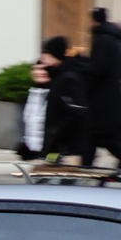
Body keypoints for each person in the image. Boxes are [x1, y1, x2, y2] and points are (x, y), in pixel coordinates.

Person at [86, 9, 121, 168]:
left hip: (102, 102)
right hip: (116, 101)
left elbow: (96, 70)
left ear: (93, 21)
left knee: (104, 139)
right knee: (95, 140)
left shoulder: (103, 40)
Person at [37, 35, 92, 164]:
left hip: (68, 150)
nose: (42, 57)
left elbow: (76, 113)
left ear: (55, 55)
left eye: (46, 53)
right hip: (57, 149)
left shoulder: (68, 78)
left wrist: (55, 135)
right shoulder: (57, 77)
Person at [16, 53, 53, 159]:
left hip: (47, 153)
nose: (39, 72)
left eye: (43, 69)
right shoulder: (34, 93)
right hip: (31, 151)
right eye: (36, 69)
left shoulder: (53, 93)